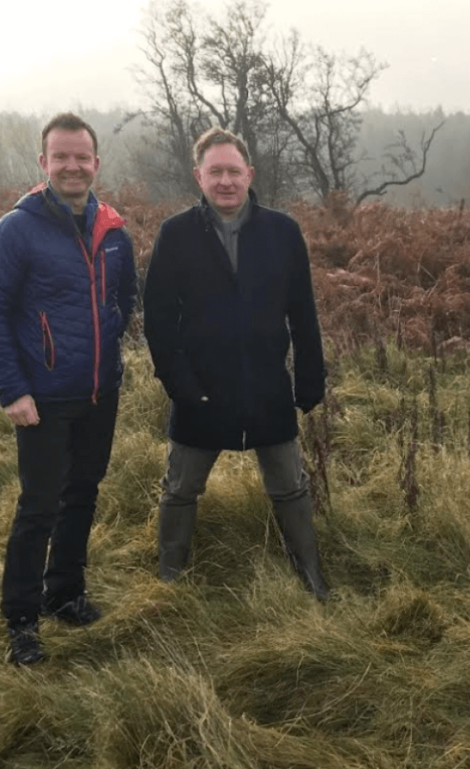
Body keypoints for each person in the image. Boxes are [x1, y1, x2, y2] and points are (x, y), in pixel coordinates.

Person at [0, 112, 137, 665]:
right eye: (60, 157)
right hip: (41, 397)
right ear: (43, 164)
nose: (72, 166)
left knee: (82, 495)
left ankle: (65, 594)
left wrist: (109, 355)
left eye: (81, 157)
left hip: (98, 391)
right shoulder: (16, 229)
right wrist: (11, 389)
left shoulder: (113, 230)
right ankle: (21, 620)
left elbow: (124, 301)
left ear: (96, 162)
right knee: (38, 506)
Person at [143, 126, 328, 599]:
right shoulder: (176, 234)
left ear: (249, 173)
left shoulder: (282, 232)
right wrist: (183, 388)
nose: (225, 180)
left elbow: (303, 313)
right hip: (199, 392)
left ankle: (311, 580)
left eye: (233, 171)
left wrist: (309, 381)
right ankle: (171, 580)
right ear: (198, 176)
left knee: (290, 486)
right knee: (181, 488)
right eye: (215, 172)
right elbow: (159, 323)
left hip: (268, 388)